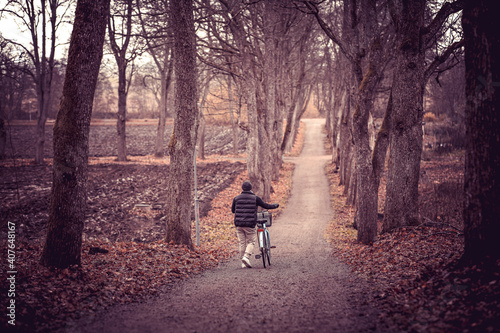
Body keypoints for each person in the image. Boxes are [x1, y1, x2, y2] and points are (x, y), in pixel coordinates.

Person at [231, 181, 279, 268]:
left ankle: (243, 262)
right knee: (251, 242)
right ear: (251, 188)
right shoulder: (255, 198)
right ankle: (246, 257)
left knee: (242, 242)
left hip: (239, 224)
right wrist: (274, 206)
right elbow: (265, 205)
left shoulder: (236, 198)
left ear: (242, 188)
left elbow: (233, 210)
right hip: (250, 224)